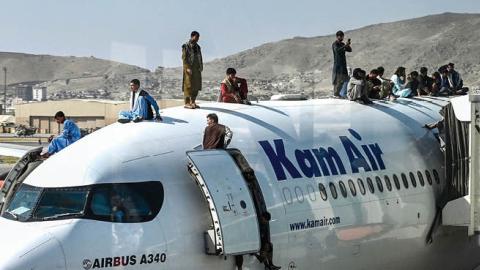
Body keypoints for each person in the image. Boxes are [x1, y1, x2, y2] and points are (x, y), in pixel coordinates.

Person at [182, 31, 203, 109]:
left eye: (198, 37)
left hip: (196, 69)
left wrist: (201, 66)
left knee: (196, 85)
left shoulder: (198, 47)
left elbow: (200, 57)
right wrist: (187, 68)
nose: (198, 39)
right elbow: (184, 58)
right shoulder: (186, 46)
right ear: (192, 36)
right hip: (189, 69)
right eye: (197, 37)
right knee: (188, 85)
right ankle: (187, 103)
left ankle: (193, 101)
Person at [332, 30, 352, 97]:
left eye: (342, 36)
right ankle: (336, 94)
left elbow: (350, 50)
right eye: (340, 36)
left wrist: (347, 45)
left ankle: (339, 94)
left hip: (343, 65)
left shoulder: (342, 44)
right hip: (338, 65)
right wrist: (345, 46)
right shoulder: (335, 44)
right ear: (337, 37)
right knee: (338, 80)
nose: (342, 38)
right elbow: (337, 50)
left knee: (343, 80)